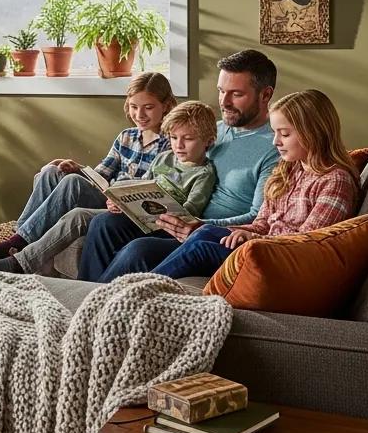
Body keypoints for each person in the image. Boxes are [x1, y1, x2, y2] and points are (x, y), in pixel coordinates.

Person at [79, 48, 281, 282]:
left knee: (138, 251)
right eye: (221, 91)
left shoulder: (274, 147)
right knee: (104, 223)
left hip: (205, 231)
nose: (224, 102)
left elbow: (258, 217)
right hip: (173, 216)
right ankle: (82, 297)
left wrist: (201, 225)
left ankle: (93, 304)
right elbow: (171, 172)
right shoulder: (209, 129)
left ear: (265, 95)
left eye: (236, 94)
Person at [0, 100, 217, 274]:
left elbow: (190, 212)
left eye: (188, 139)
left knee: (78, 215)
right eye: (174, 138)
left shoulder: (203, 174)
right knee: (53, 174)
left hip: (159, 224)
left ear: (209, 141)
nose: (179, 145)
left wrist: (157, 209)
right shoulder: (164, 157)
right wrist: (121, 199)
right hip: (132, 211)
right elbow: (142, 184)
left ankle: (18, 263)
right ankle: (17, 239)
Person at [146, 89, 359, 281]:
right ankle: (135, 287)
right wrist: (211, 227)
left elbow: (306, 244)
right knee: (204, 232)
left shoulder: (335, 180)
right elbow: (261, 223)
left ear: (314, 133)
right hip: (262, 246)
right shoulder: (288, 170)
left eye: (284, 134)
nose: (276, 142)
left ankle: (138, 288)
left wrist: (253, 238)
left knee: (202, 248)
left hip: (282, 262)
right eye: (275, 132)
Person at [0, 72, 176, 259]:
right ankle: (17, 235)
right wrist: (77, 168)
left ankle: (16, 244)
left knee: (72, 183)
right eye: (133, 107)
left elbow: (153, 190)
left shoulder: (171, 143)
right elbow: (101, 174)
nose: (139, 114)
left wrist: (114, 194)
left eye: (148, 107)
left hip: (122, 206)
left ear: (165, 105)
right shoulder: (126, 137)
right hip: (105, 193)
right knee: (53, 171)